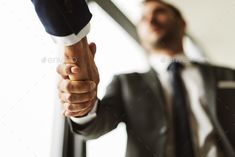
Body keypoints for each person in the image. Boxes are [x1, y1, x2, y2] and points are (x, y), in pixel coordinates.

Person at [33, 0, 235, 157]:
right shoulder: (126, 83)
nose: (150, 20)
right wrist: (84, 105)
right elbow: (96, 126)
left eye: (159, 12)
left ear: (181, 23)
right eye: (143, 18)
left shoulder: (228, 75)